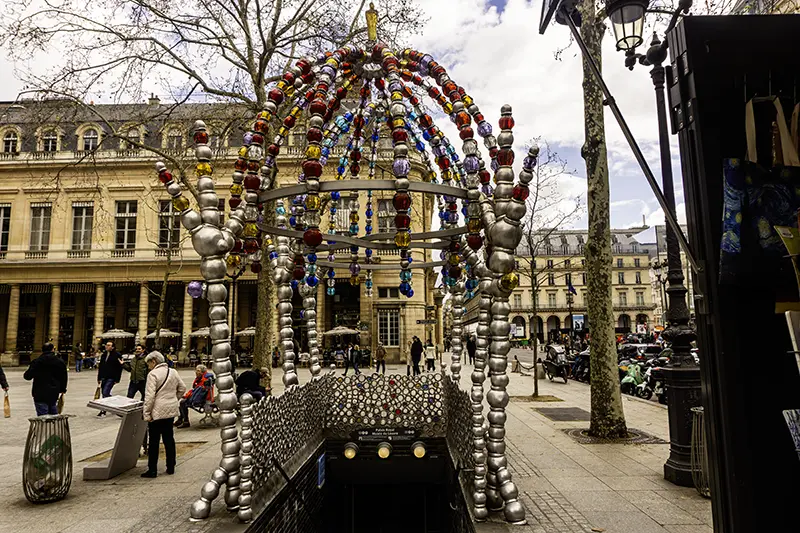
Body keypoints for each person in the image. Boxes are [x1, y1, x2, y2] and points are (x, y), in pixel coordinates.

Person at [141, 351, 185, 477]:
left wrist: (147, 413)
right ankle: (171, 466)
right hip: (170, 410)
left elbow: (149, 397)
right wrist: (173, 399)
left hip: (157, 411)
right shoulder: (173, 372)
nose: (148, 366)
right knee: (169, 439)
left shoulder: (153, 374)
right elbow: (182, 388)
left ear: (153, 361)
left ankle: (152, 470)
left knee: (154, 441)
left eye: (148, 363)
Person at [23, 343, 67, 416]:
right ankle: (53, 427)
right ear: (53, 350)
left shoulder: (37, 361)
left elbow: (27, 376)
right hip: (54, 393)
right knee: (54, 416)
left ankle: (45, 427)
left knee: (43, 418)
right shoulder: (59, 362)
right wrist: (63, 389)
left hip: (40, 393)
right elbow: (64, 377)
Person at [174, 364, 214, 429]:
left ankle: (186, 421)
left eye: (198, 371)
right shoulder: (201, 378)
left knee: (182, 403)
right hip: (199, 397)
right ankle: (180, 419)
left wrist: (188, 396)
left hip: (202, 399)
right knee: (182, 403)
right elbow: (195, 390)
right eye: (196, 370)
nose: (196, 372)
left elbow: (198, 392)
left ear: (202, 372)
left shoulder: (204, 380)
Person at [96, 341, 123, 417]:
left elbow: (119, 368)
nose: (106, 346)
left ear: (113, 347)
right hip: (104, 376)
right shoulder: (104, 355)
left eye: (108, 345)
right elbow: (101, 367)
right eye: (106, 345)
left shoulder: (117, 355)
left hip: (111, 377)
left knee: (105, 392)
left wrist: (117, 379)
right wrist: (99, 377)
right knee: (104, 394)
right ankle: (108, 407)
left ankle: (106, 409)